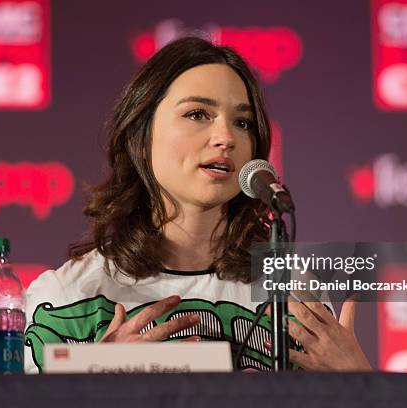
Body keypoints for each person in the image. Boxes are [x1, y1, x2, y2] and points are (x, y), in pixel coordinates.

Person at [24, 36, 371, 373]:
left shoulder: (294, 294)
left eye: (242, 122)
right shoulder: (68, 296)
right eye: (197, 114)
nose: (226, 138)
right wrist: (93, 385)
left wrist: (362, 387)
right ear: (140, 137)